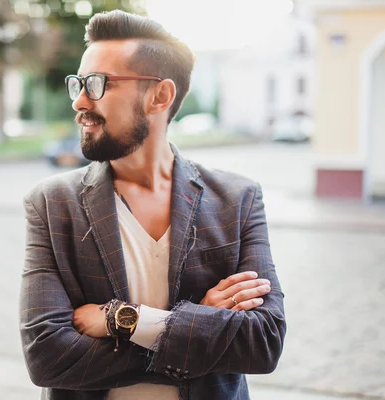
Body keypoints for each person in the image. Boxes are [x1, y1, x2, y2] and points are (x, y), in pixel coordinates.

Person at [19, 10, 286, 400]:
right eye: (77, 82)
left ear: (159, 96)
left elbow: (263, 342)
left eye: (98, 84)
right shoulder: (52, 203)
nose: (79, 100)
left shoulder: (237, 199)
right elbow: (47, 357)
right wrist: (197, 328)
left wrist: (122, 320)